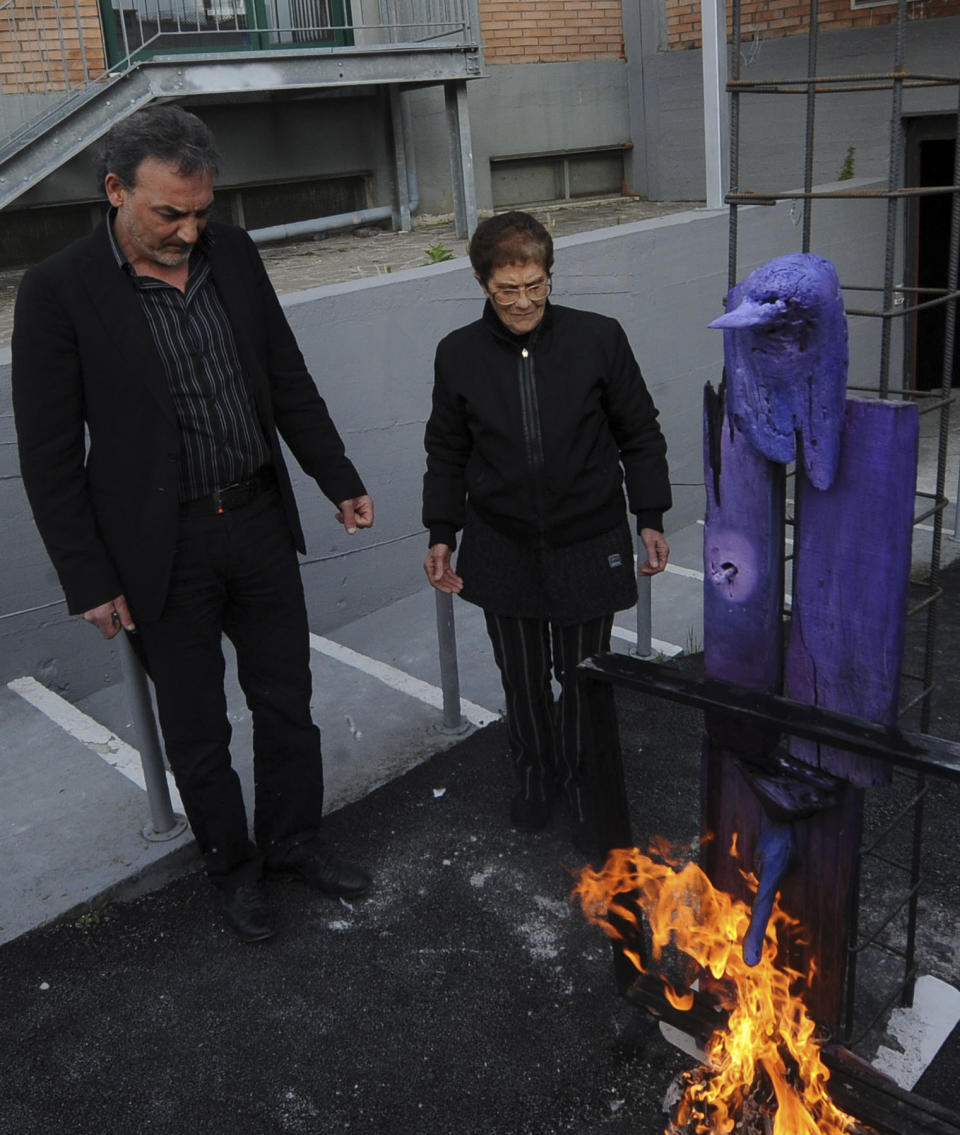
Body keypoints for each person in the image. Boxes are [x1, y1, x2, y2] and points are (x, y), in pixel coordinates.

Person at [13, 104, 374, 942]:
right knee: (197, 726)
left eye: (200, 211)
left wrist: (337, 475)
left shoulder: (236, 255)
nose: (188, 230)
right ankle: (235, 868)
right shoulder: (59, 290)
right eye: (168, 213)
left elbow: (285, 375)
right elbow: (49, 452)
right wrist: (88, 577)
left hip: (255, 517)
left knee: (287, 699)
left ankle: (293, 845)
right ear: (114, 190)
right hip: (159, 550)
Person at [422, 211, 671, 838]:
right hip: (502, 544)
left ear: (550, 276)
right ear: (483, 282)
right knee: (522, 677)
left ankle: (590, 789)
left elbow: (639, 431)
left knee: (585, 676)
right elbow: (447, 451)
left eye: (536, 285)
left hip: (589, 539)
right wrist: (441, 533)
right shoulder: (456, 354)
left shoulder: (600, 337)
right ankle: (535, 775)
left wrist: (650, 515)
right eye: (508, 289)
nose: (524, 301)